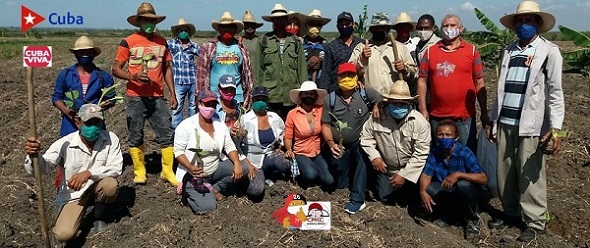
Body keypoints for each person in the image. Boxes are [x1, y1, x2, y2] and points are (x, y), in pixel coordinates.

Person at [488, 1, 564, 242]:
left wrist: (555, 128)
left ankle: (535, 221)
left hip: (530, 123)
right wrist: (493, 120)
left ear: (538, 24)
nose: (523, 25)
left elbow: (555, 92)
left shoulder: (549, 51)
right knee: (506, 173)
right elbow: (500, 89)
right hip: (506, 121)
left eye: (528, 21)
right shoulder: (509, 50)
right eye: (520, 21)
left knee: (530, 174)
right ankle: (510, 213)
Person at [24, 104, 122, 242]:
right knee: (64, 234)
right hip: (74, 195)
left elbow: (116, 167)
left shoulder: (111, 139)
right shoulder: (65, 143)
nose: (93, 127)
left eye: (97, 122)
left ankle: (100, 217)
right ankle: (70, 215)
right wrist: (33, 156)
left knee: (110, 185)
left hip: (96, 186)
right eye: (89, 122)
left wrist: (88, 173)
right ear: (78, 122)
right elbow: (44, 168)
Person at [112, 2, 178, 186]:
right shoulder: (128, 41)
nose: (149, 23)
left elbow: (166, 69)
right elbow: (116, 69)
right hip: (135, 96)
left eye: (152, 20)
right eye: (145, 20)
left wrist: (172, 92)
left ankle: (167, 171)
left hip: (157, 96)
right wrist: (133, 76)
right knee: (135, 134)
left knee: (166, 132)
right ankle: (140, 171)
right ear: (139, 21)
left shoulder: (162, 42)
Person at [416, 14, 489, 153]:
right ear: (440, 29)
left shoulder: (471, 51)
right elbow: (422, 80)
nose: (449, 28)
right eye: (445, 25)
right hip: (437, 116)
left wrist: (484, 112)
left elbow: (479, 82)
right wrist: (423, 109)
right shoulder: (430, 52)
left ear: (460, 29)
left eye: (453, 25)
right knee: (440, 155)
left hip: (464, 118)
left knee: (466, 153)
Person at [321, 63, 382, 214]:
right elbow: (326, 125)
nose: (347, 79)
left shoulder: (365, 93)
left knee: (363, 155)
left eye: (350, 75)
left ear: (356, 77)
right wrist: (330, 143)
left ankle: (357, 199)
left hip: (360, 141)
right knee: (340, 184)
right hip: (340, 145)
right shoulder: (330, 99)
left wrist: (377, 106)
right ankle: (349, 181)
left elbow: (381, 100)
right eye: (343, 76)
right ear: (338, 78)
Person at [174, 90, 248, 214]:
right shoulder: (186, 126)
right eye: (207, 104)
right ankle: (188, 190)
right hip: (194, 173)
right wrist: (191, 168)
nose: (210, 108)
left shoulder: (219, 126)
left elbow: (229, 145)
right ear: (199, 103)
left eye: (213, 105)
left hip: (213, 167)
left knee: (244, 167)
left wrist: (236, 163)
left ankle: (214, 188)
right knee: (208, 208)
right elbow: (178, 152)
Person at [360, 80, 430, 203]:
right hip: (388, 169)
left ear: (409, 102)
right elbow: (365, 137)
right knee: (384, 197)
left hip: (412, 170)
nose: (398, 106)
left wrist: (404, 175)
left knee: (413, 198)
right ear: (389, 101)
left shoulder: (420, 123)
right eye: (395, 102)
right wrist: (374, 157)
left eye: (402, 103)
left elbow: (421, 154)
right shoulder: (378, 117)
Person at [419, 119, 488, 239]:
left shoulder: (464, 153)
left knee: (463, 185)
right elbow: (426, 174)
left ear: (456, 137)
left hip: (468, 194)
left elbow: (483, 178)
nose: (444, 138)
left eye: (448, 135)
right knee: (429, 188)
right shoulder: (435, 153)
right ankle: (449, 215)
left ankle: (473, 220)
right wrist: (422, 192)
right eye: (441, 135)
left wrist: (459, 175)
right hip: (448, 191)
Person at [52, 35, 116, 137]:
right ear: (76, 54)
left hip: (95, 122)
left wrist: (97, 109)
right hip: (71, 122)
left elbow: (111, 99)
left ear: (93, 54)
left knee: (96, 149)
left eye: (88, 52)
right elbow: (57, 97)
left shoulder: (104, 76)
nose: (85, 55)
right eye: (81, 52)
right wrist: (67, 111)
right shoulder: (65, 74)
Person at [256, 3, 308, 119]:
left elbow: (302, 70)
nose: (279, 22)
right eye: (276, 20)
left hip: (291, 95)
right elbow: (258, 70)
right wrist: (258, 94)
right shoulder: (263, 41)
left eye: (282, 19)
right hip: (271, 95)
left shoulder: (295, 41)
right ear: (272, 21)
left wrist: (304, 93)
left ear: (286, 20)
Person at [238, 86, 292, 197]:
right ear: (253, 100)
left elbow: (285, 131)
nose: (260, 102)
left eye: (263, 99)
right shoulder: (245, 119)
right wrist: (246, 164)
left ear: (267, 101)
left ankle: (269, 174)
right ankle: (246, 181)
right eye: (258, 99)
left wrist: (280, 146)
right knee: (256, 190)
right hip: (252, 160)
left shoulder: (274, 117)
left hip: (269, 155)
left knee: (284, 162)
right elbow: (236, 142)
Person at [349, 12, 416, 95]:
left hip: (395, 100)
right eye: (376, 28)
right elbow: (350, 72)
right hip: (370, 102)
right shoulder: (361, 48)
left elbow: (414, 74)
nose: (379, 30)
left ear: (388, 29)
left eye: (383, 27)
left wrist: (405, 69)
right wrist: (363, 59)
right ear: (371, 29)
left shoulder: (400, 48)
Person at [197, 12, 253, 109]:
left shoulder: (242, 49)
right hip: (214, 98)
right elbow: (201, 76)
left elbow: (248, 77)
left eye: (230, 27)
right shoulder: (209, 47)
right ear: (219, 29)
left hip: (237, 98)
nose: (227, 30)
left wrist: (248, 98)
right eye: (224, 27)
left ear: (235, 29)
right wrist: (201, 98)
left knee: (236, 124)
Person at [284, 81, 332, 187]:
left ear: (315, 96)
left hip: (318, 151)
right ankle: (302, 177)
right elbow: (288, 136)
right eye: (306, 93)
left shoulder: (320, 110)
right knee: (310, 175)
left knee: (329, 180)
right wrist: (289, 149)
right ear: (301, 95)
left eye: (311, 94)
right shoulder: (293, 114)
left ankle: (315, 172)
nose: (308, 96)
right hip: (301, 152)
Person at [167, 18, 200, 129]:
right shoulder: (171, 44)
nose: (183, 32)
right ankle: (176, 131)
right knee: (177, 107)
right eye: (181, 30)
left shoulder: (194, 46)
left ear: (189, 33)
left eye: (185, 30)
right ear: (177, 32)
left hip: (192, 81)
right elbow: (160, 49)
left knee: (192, 106)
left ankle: (192, 130)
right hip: (178, 82)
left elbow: (205, 56)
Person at [319, 11, 363, 92]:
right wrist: (323, 94)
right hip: (336, 92)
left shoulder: (361, 44)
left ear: (353, 24)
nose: (344, 26)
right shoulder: (331, 47)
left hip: (357, 91)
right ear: (337, 26)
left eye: (347, 24)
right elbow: (326, 73)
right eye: (342, 25)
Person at [303, 9, 330, 81]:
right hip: (304, 84)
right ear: (306, 25)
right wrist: (307, 65)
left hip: (321, 84)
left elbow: (330, 63)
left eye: (318, 24)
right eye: (311, 24)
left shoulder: (326, 45)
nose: (314, 27)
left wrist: (320, 59)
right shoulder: (300, 44)